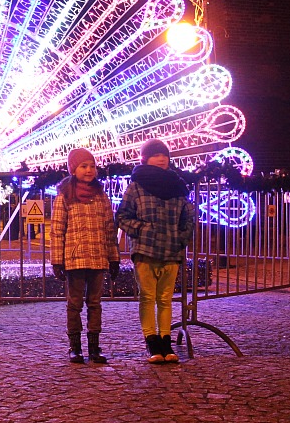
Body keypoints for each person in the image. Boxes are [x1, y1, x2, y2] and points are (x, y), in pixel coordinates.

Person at [117, 138, 195, 364]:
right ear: (145, 158)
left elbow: (188, 217)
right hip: (146, 249)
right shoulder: (136, 187)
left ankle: (165, 341)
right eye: (156, 154)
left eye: (165, 154)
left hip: (171, 249)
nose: (162, 158)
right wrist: (142, 230)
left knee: (165, 299)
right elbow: (122, 216)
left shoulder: (178, 186)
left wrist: (181, 238)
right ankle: (152, 341)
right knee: (148, 297)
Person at [50, 147, 121, 364]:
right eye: (83, 166)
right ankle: (75, 347)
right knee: (74, 304)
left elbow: (110, 228)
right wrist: (57, 261)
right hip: (75, 259)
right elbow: (57, 230)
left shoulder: (101, 196)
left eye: (92, 166)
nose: (89, 170)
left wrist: (114, 257)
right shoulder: (65, 197)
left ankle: (94, 346)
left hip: (98, 257)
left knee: (95, 303)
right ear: (73, 169)